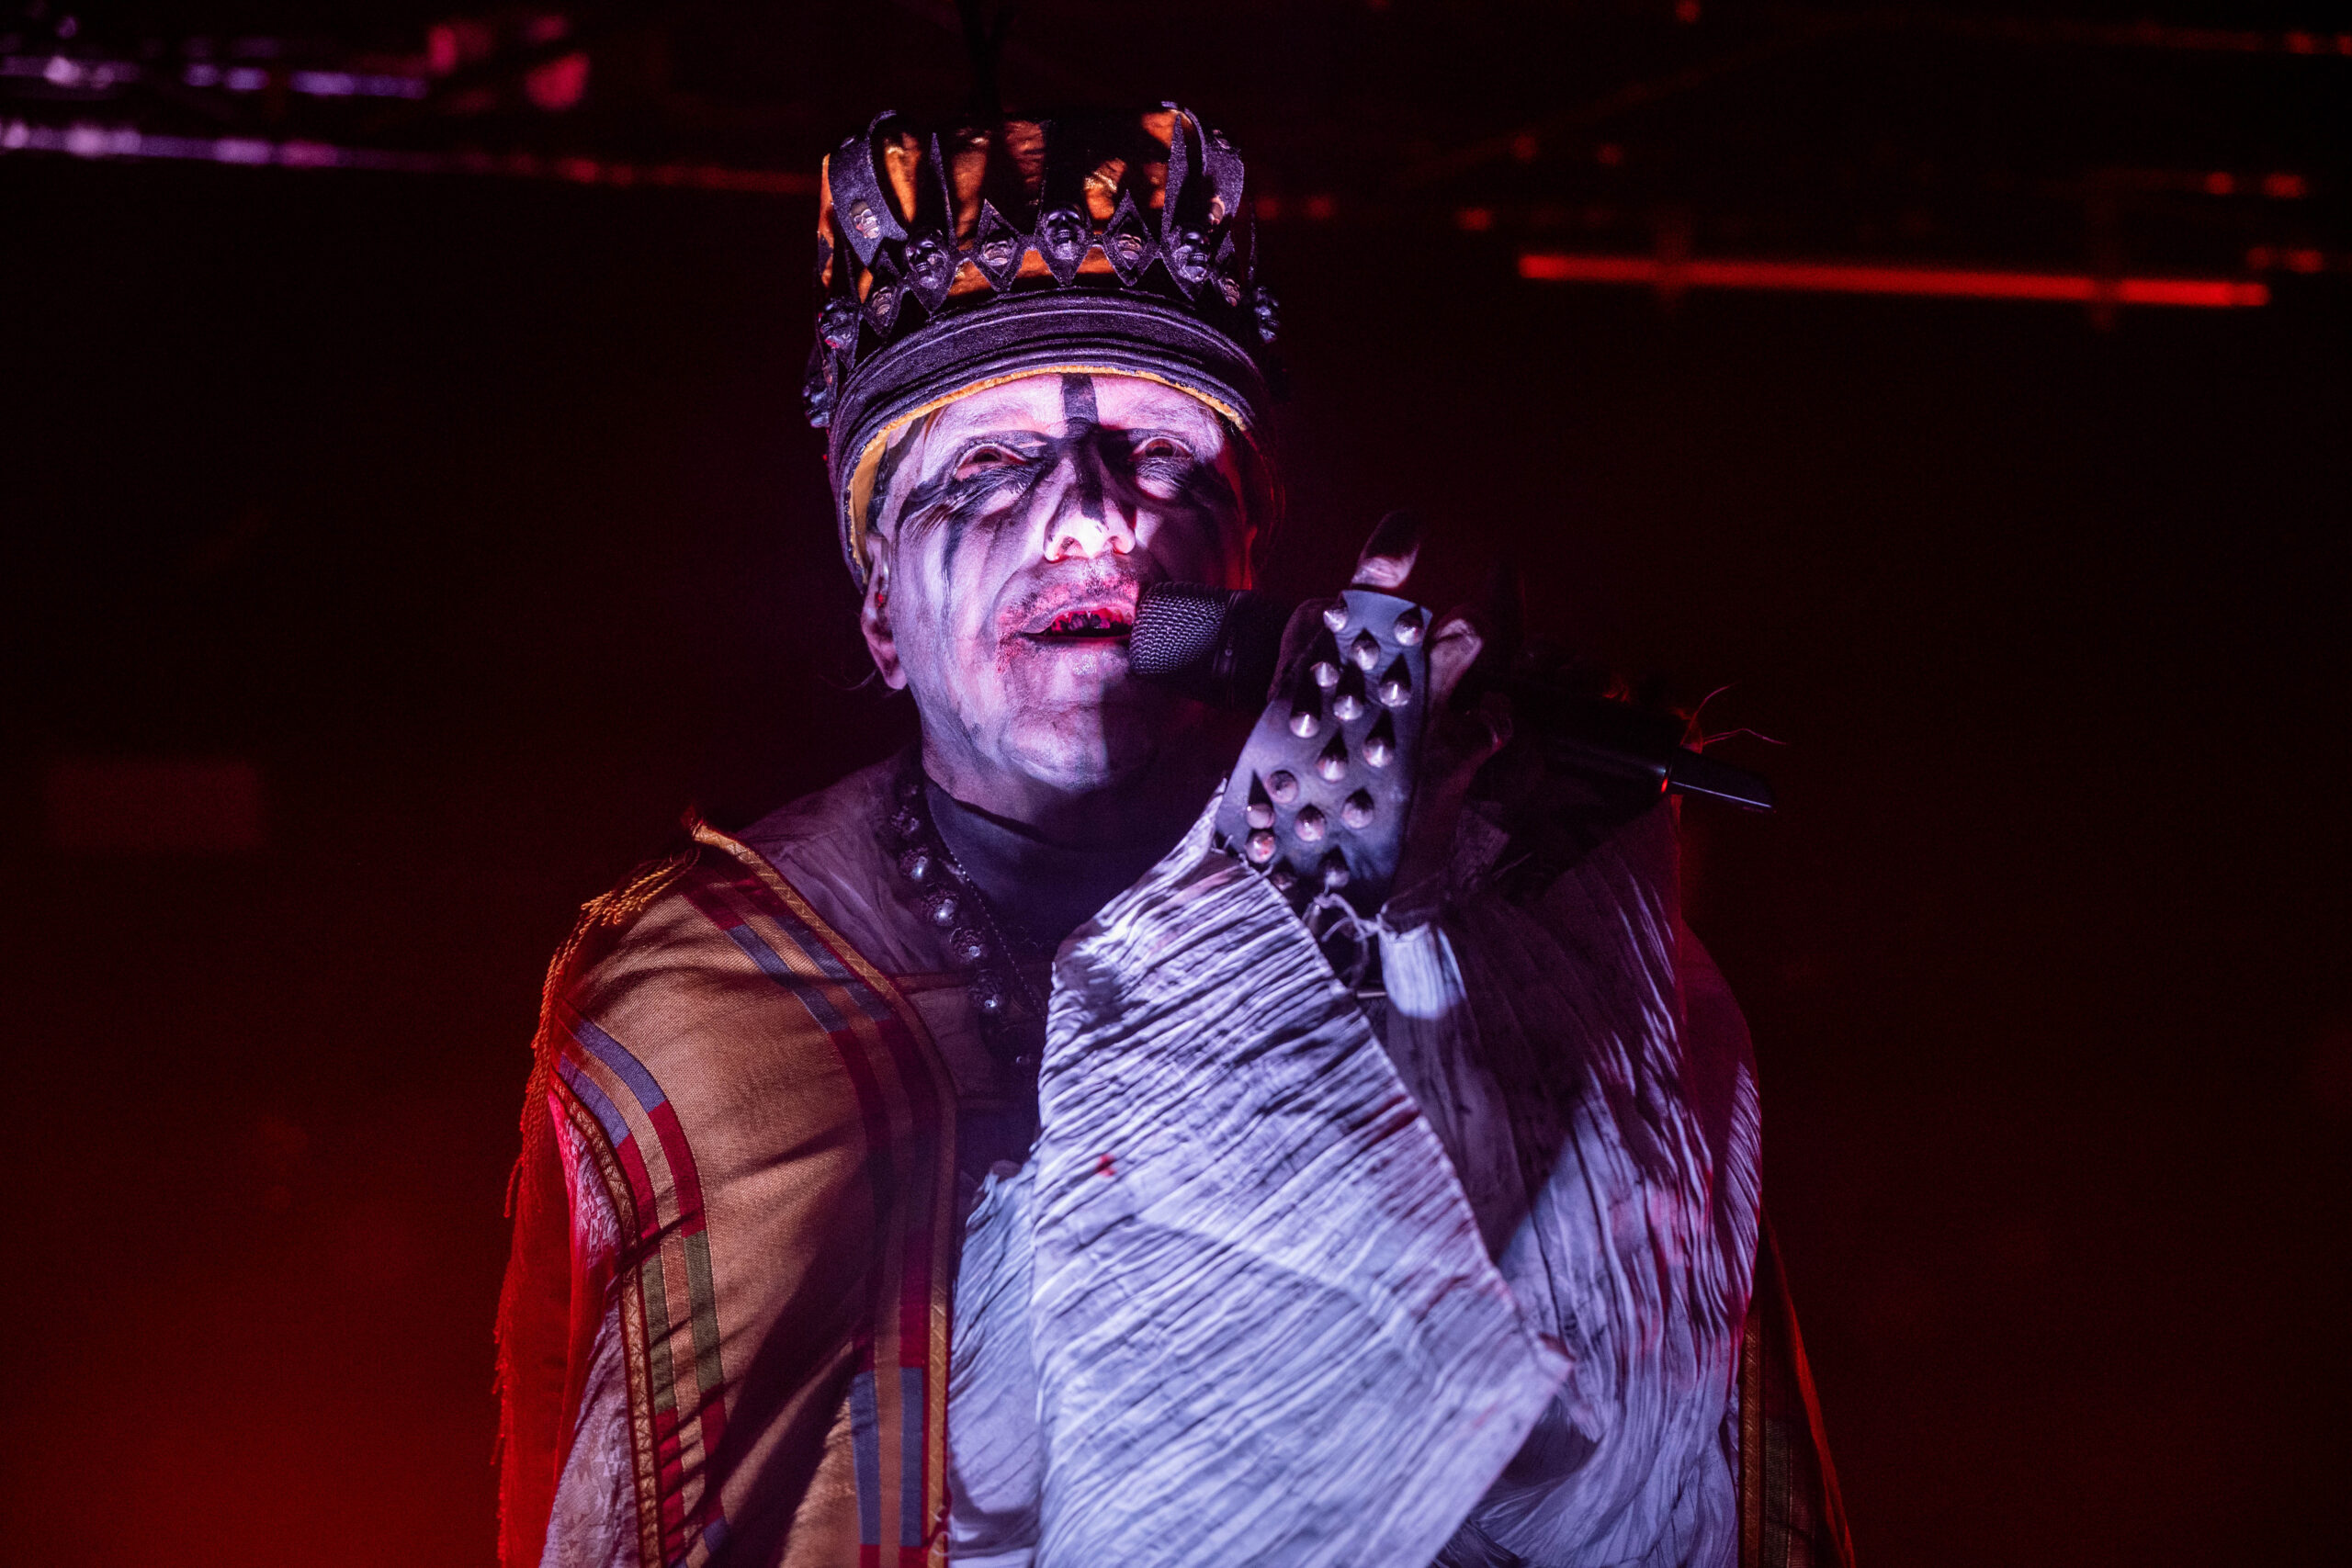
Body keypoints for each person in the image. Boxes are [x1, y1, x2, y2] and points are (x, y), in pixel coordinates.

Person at [494, 106, 1850, 1568]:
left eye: (1157, 457)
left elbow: (1614, 1473)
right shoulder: (700, 1003)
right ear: (881, 612)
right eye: (988, 466)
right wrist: (1271, 917)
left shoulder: (1492, 912)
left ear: (1244, 559)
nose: (1089, 514)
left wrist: (1503, 976)